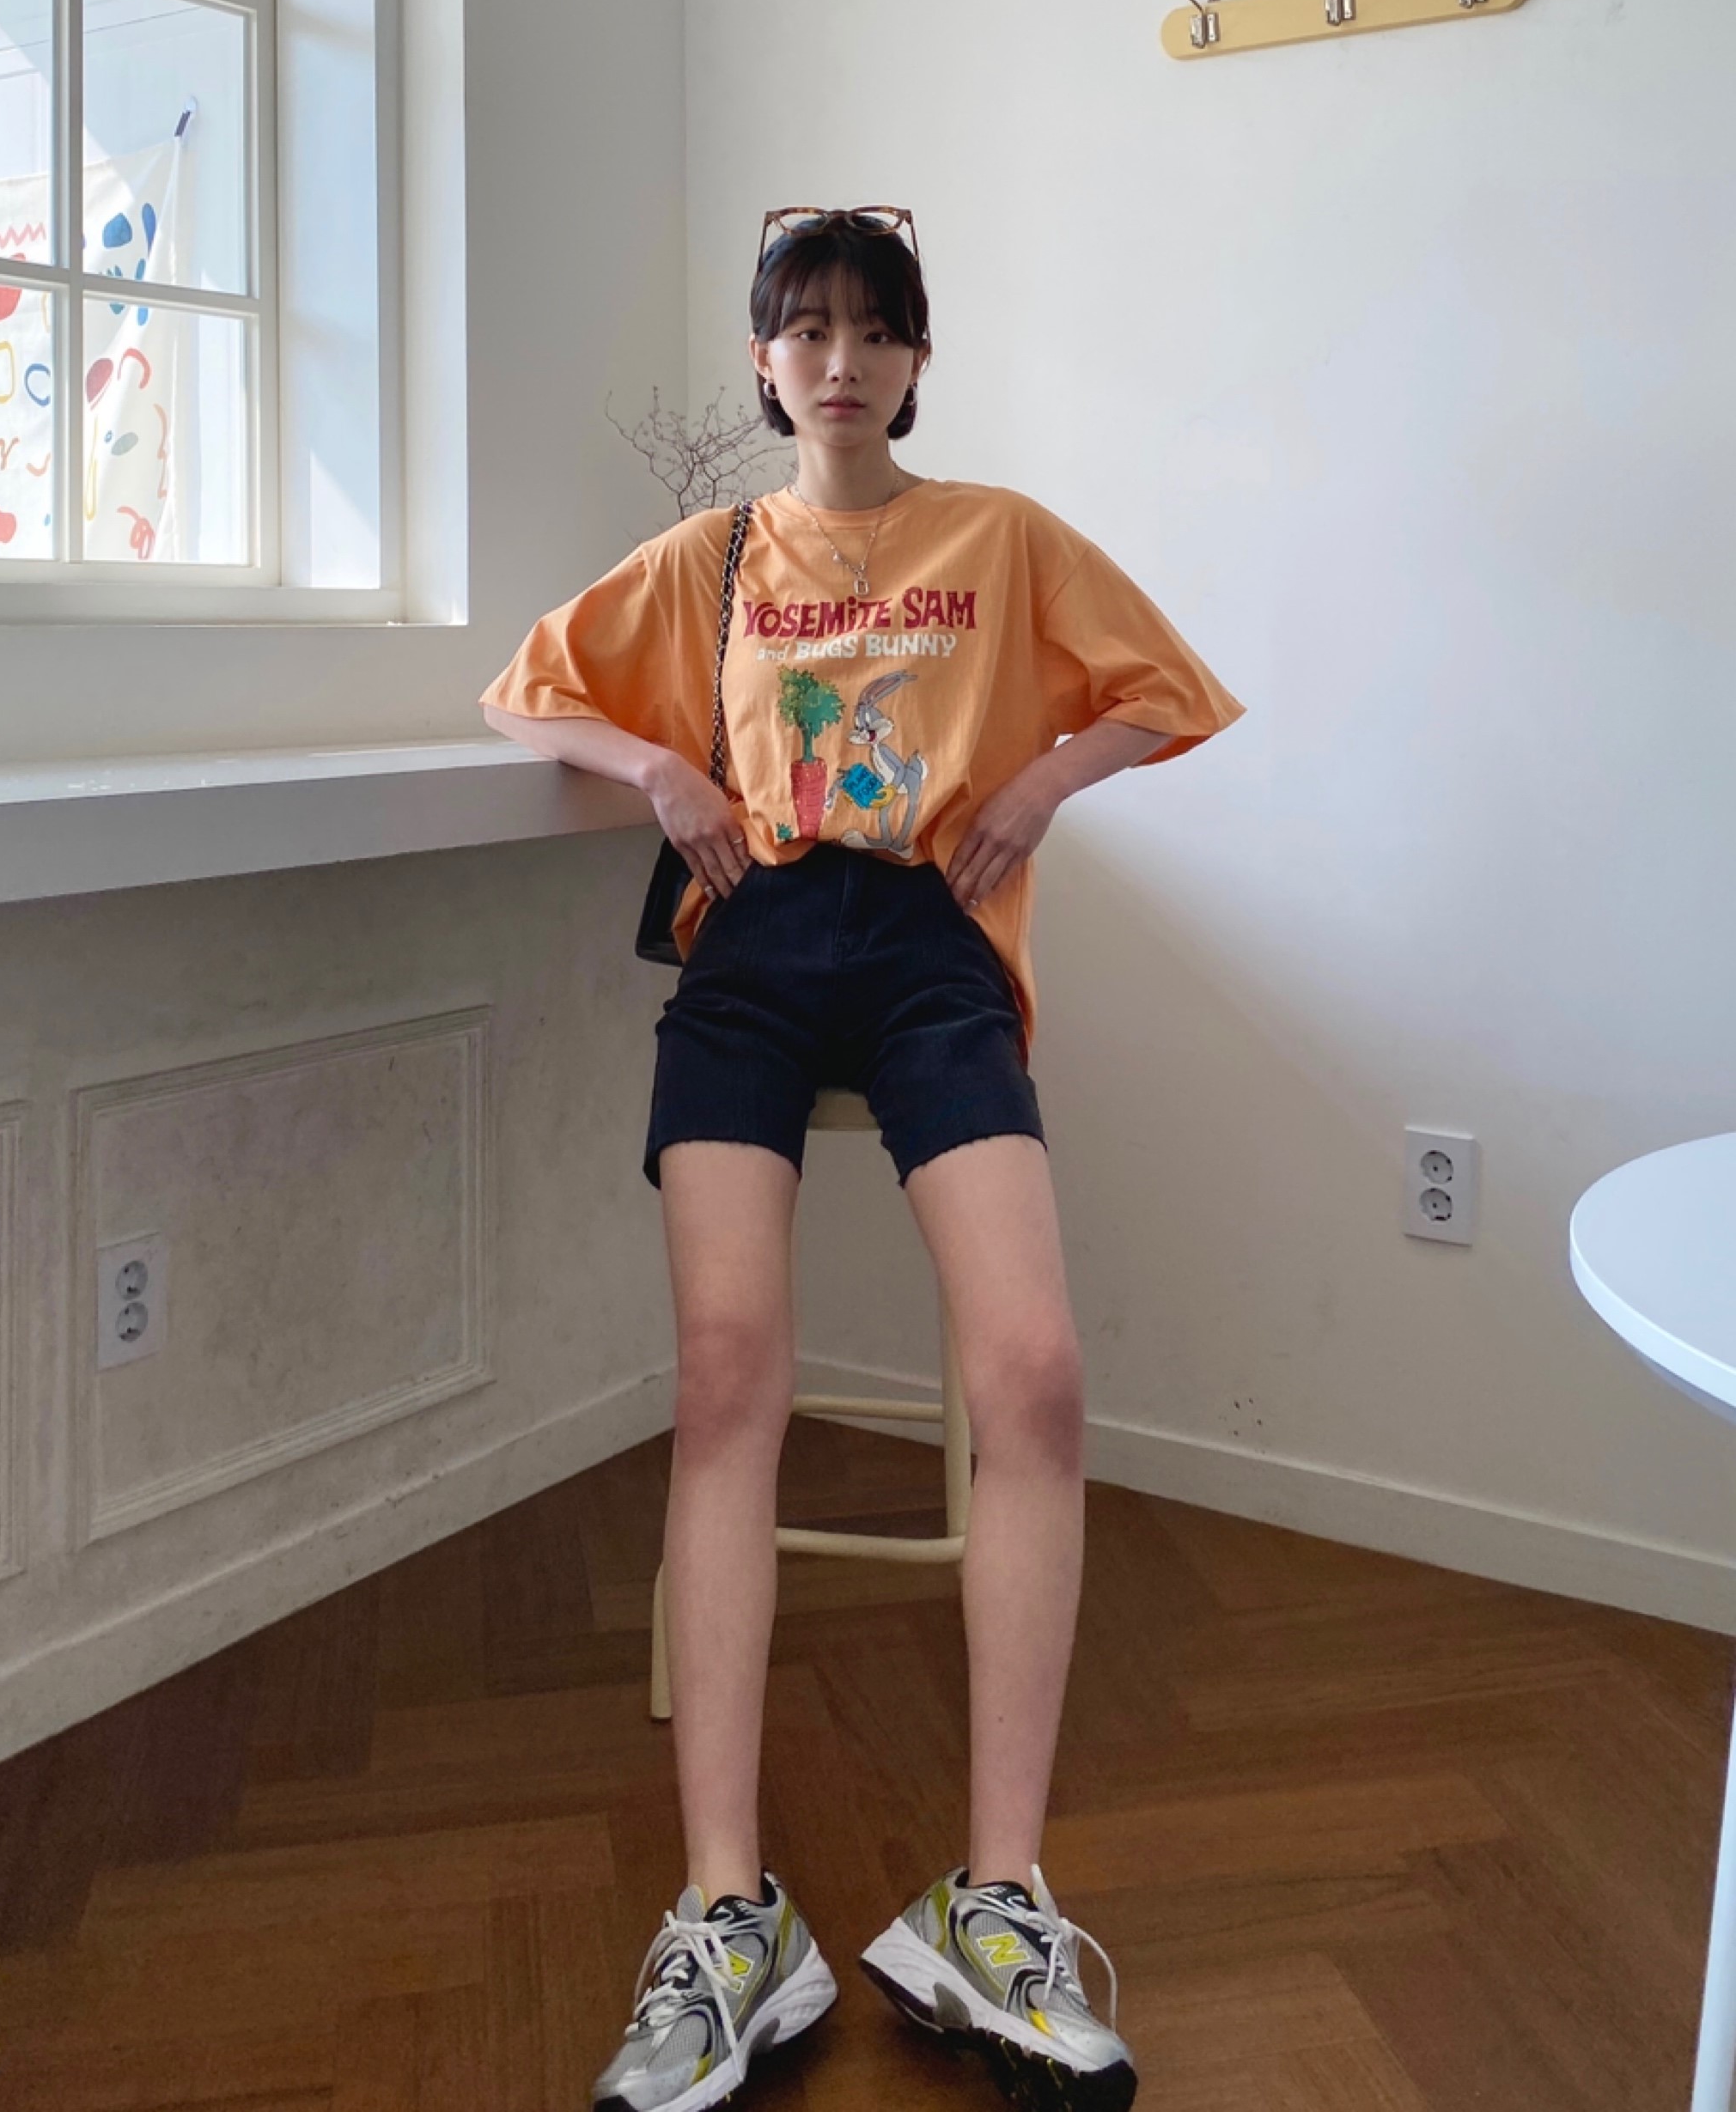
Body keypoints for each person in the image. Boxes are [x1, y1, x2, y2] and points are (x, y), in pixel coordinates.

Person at [480, 208, 1246, 2112]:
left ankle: (994, 1904)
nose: (839, 360)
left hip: (926, 958)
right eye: (805, 329)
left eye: (873, 329)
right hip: (748, 958)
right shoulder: (714, 557)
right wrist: (657, 769)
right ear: (764, 363)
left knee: (1035, 1374)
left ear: (915, 360)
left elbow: (1166, 689)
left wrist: (1042, 781)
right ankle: (728, 1916)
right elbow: (526, 687)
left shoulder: (998, 538)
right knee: (729, 1375)